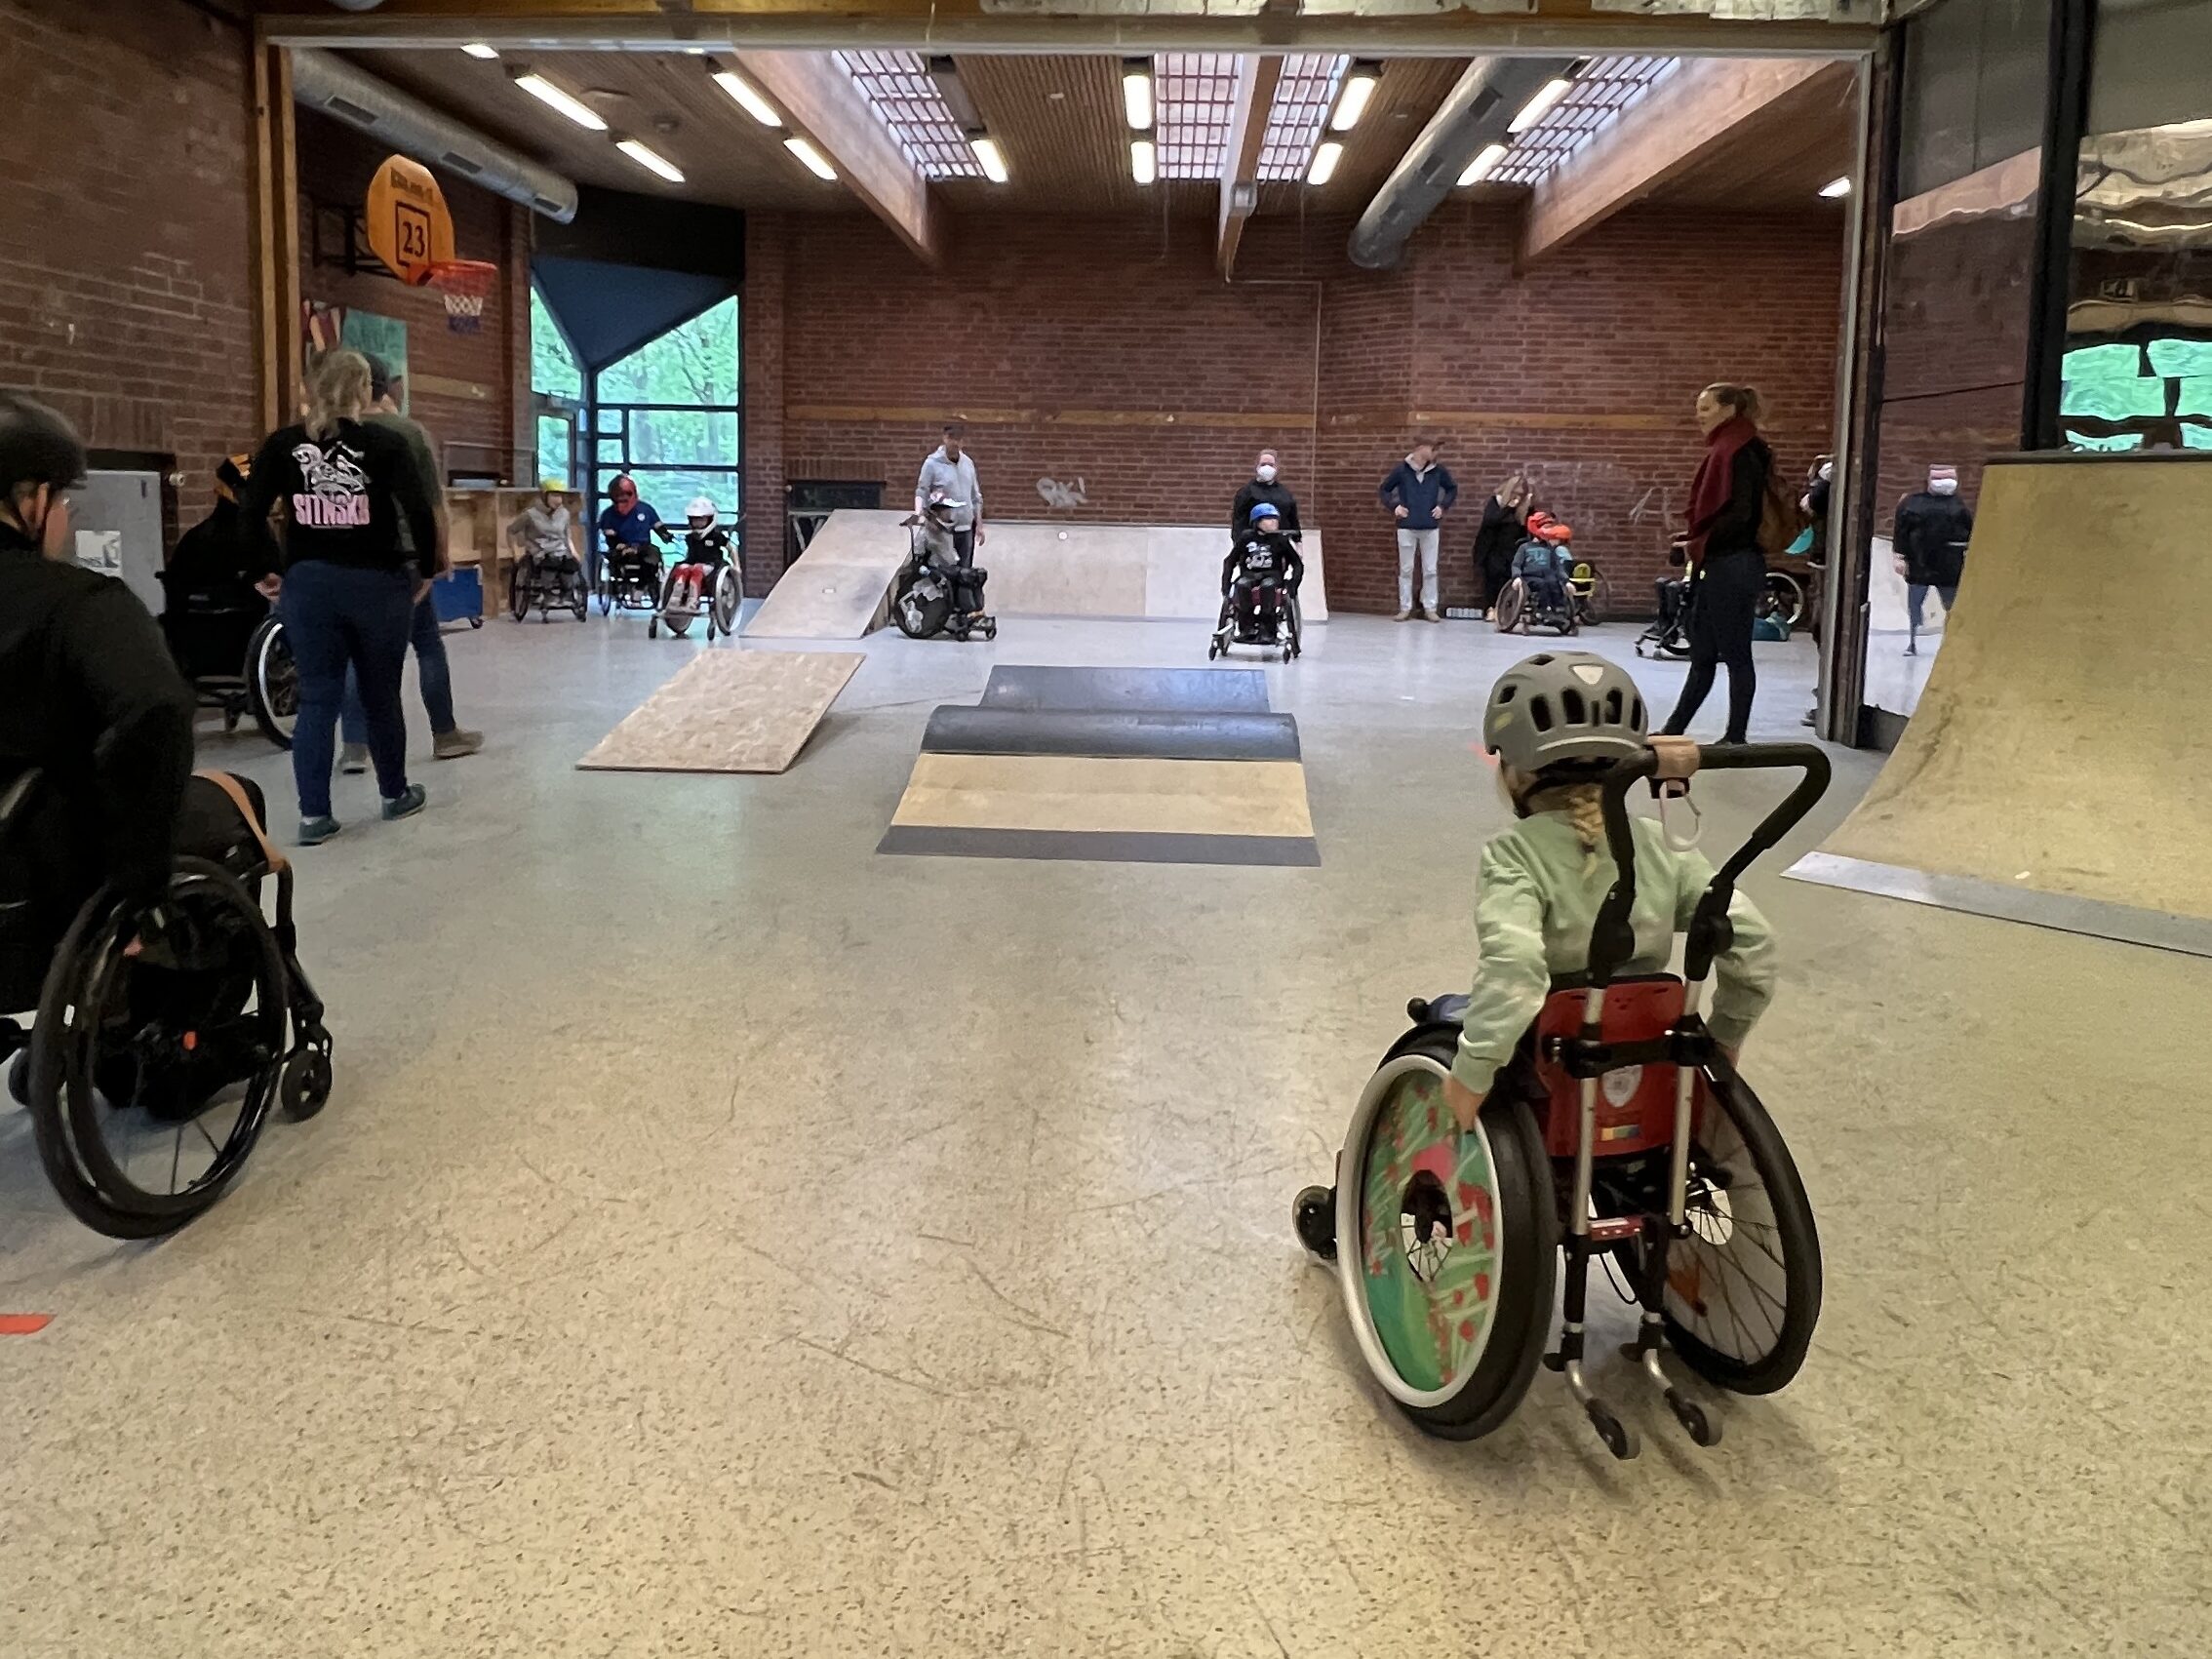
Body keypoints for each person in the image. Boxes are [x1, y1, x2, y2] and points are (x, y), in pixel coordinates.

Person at [0, 395, 269, 1020]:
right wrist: (141, 885)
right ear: (31, 501)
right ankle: (181, 1014)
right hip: (50, 871)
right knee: (236, 799)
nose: (65, 515)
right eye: (64, 499)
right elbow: (155, 712)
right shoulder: (80, 602)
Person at [1440, 652, 1776, 1133]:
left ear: (1514, 770)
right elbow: (1754, 942)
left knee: (1446, 1018)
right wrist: (1724, 1037)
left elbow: (1514, 972)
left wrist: (1470, 1077)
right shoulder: (1661, 846)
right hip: (1655, 1059)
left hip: (1545, 1066)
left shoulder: (1515, 855)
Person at [239, 349, 440, 845]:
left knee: (318, 697)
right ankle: (394, 795)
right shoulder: (384, 443)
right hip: (376, 583)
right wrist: (427, 569)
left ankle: (313, 817)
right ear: (366, 391)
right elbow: (418, 508)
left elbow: (250, 512)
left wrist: (263, 569)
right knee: (380, 695)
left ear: (311, 389)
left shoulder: (283, 445)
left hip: (309, 585)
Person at [337, 355, 481, 774]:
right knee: (428, 643)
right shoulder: (407, 432)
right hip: (404, 556)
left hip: (352, 555)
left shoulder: (334, 433)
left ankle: (353, 747)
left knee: (355, 652)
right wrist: (439, 555)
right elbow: (432, 503)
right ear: (388, 388)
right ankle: (445, 733)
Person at [1659, 383, 1774, 747]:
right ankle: (1673, 730)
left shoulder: (1739, 452)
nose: (1699, 415)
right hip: (1723, 563)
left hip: (1733, 566)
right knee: (1704, 653)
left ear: (1728, 410)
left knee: (1736, 654)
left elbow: (1740, 516)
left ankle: (1735, 736)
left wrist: (1697, 542)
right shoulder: (1733, 448)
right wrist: (1695, 539)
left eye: (1706, 408)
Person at [1893, 464, 1972, 656]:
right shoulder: (1958, 506)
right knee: (1946, 605)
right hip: (1945, 565)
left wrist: (1899, 555)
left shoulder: (1912, 503)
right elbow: (1968, 532)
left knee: (1920, 604)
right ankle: (1931, 642)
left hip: (1925, 563)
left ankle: (1915, 642)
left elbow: (1901, 531)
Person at [1378, 439, 1457, 622]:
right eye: (1432, 449)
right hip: (1407, 526)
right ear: (1420, 448)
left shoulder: (1438, 471)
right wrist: (1394, 506)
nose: (1435, 453)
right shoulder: (1402, 470)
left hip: (1430, 527)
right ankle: (1405, 607)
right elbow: (1385, 489)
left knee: (1430, 569)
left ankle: (1430, 607)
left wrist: (1442, 506)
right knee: (1406, 569)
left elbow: (1452, 489)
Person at [915, 421, 983, 567]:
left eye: (958, 439)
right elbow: (922, 490)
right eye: (951, 437)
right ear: (944, 438)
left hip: (965, 528)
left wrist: (979, 525)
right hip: (941, 531)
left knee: (965, 573)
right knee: (944, 572)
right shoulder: (932, 464)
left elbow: (975, 496)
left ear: (963, 441)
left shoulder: (968, 463)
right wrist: (921, 515)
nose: (955, 442)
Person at [595, 473, 670, 594]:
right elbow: (610, 536)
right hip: (621, 547)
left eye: (626, 494)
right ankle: (618, 588)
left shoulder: (645, 509)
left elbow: (658, 526)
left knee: (653, 559)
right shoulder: (608, 515)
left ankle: (640, 588)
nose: (623, 498)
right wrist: (622, 546)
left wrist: (666, 536)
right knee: (615, 559)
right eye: (619, 495)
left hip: (643, 547)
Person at [1472, 475, 1530, 618]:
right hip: (1492, 548)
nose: (1517, 496)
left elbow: (1523, 529)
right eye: (1515, 492)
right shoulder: (1496, 502)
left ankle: (1506, 609)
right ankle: (1491, 608)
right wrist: (1508, 508)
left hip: (1512, 548)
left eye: (1520, 494)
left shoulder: (1524, 508)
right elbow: (1490, 521)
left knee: (1508, 578)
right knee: (1492, 577)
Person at [665, 494, 736, 612]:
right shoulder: (690, 537)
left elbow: (731, 549)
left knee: (697, 569)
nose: (697, 523)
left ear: (709, 519)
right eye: (695, 520)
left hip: (712, 566)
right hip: (692, 563)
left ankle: (693, 602)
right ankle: (674, 601)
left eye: (701, 519)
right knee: (682, 568)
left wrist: (736, 566)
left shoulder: (717, 536)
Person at [1229, 449, 1301, 543]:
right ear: (1256, 467)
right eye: (1263, 464)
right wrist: (1239, 547)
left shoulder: (1285, 493)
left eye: (1271, 465)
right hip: (1254, 544)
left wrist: (1298, 542)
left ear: (1277, 468)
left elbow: (1293, 520)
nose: (1267, 467)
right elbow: (1238, 523)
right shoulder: (1246, 493)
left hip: (1281, 545)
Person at [506, 477, 577, 570]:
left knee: (574, 580)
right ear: (544, 495)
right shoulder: (530, 514)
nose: (558, 500)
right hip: (538, 559)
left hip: (561, 557)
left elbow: (567, 536)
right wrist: (516, 554)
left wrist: (574, 553)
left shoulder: (564, 513)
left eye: (560, 496)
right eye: (554, 495)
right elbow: (511, 531)